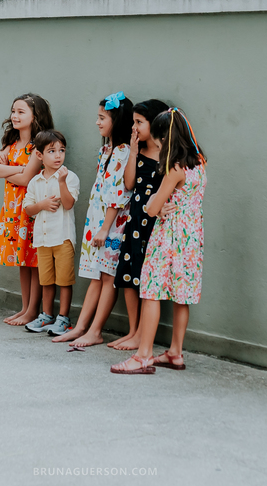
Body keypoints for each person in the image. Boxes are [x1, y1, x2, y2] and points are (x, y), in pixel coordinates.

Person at [112, 108, 207, 375]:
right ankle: (175, 352)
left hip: (169, 237)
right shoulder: (199, 163)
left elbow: (152, 208)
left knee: (151, 292)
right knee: (181, 297)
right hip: (191, 239)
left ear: (168, 136)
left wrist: (157, 204)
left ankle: (143, 355)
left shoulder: (174, 167)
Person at [53, 92, 133, 347]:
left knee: (109, 277)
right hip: (97, 223)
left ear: (117, 120)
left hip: (112, 226)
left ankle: (95, 331)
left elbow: (119, 193)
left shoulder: (124, 152)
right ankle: (81, 327)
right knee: (96, 277)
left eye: (102, 117)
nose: (97, 122)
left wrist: (105, 229)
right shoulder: (106, 150)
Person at [108, 99, 169, 350]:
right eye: (133, 122)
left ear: (154, 124)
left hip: (154, 225)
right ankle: (133, 331)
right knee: (128, 275)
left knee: (146, 279)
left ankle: (143, 333)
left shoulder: (166, 156)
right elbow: (130, 184)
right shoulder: (139, 152)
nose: (134, 127)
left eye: (139, 123)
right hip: (134, 222)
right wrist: (133, 153)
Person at [0, 93, 54, 326]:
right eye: (13, 111)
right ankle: (25, 307)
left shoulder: (39, 146)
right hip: (12, 211)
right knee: (22, 259)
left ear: (35, 116)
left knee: (33, 260)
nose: (14, 116)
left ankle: (33, 310)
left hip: (31, 211)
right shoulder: (11, 144)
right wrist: (16, 169)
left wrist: (11, 170)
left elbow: (27, 179)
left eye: (21, 112)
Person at [22, 130, 80, 336]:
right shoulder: (35, 182)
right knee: (46, 280)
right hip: (43, 239)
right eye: (52, 151)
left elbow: (68, 203)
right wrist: (42, 204)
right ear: (39, 156)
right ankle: (47, 316)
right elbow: (28, 209)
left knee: (64, 280)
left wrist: (62, 182)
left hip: (62, 238)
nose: (58, 155)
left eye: (61, 150)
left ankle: (64, 318)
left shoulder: (70, 177)